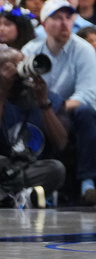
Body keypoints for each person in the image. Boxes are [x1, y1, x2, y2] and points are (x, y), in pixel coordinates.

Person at [21, 0, 96, 205]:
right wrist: (47, 108)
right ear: (44, 24)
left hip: (71, 111)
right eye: (57, 18)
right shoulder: (30, 50)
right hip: (40, 110)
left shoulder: (84, 49)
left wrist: (54, 107)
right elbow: (23, 91)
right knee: (33, 115)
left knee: (87, 112)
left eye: (68, 17)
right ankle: (37, 183)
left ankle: (88, 182)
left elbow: (87, 95)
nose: (64, 23)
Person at [0, 45, 67, 207]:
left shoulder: (49, 98)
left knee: (56, 169)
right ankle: (19, 196)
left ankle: (8, 196)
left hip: (27, 168)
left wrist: (44, 103)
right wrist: (2, 92)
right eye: (14, 67)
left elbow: (61, 143)